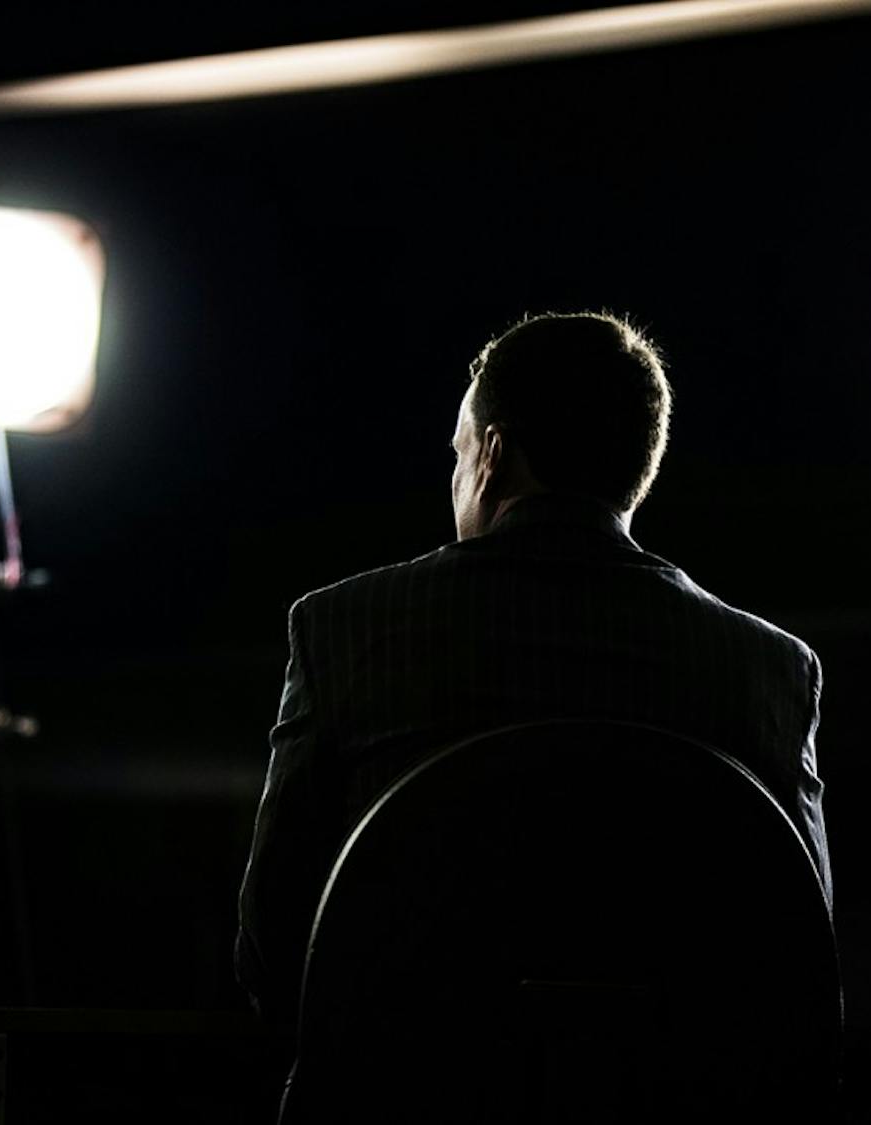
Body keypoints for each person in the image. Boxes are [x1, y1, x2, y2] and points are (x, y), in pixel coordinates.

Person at [236, 311, 831, 1024]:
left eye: (457, 454)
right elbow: (805, 963)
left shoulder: (344, 630)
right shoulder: (770, 671)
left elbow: (274, 946)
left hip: (400, 1102)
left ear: (491, 453)